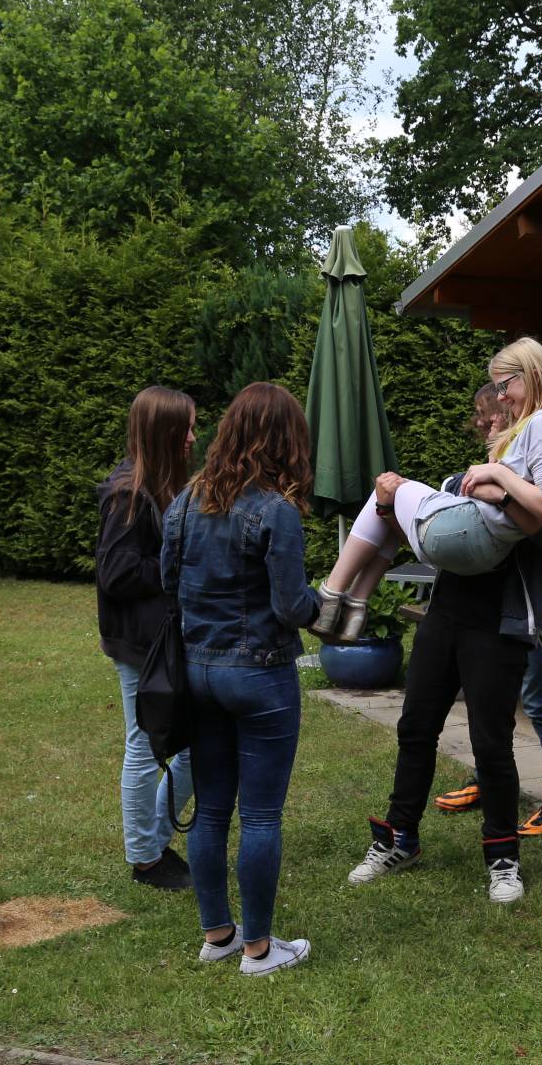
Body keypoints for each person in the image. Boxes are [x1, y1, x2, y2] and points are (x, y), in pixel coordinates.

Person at [345, 340, 542, 903]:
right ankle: (399, 837)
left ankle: (503, 859)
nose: (496, 406)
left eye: (504, 392)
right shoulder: (506, 449)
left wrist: (501, 490)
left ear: (529, 381)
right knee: (415, 726)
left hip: (499, 620)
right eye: (495, 399)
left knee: (491, 744)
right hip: (447, 610)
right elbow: (447, 525)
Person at [161, 382, 321, 976]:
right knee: (259, 816)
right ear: (286, 441)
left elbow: (166, 583)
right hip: (260, 679)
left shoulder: (184, 501)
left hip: (198, 673)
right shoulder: (275, 509)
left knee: (210, 811)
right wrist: (322, 602)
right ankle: (259, 949)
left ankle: (218, 934)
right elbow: (289, 607)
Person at [311, 336, 542, 642]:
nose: (501, 397)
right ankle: (356, 603)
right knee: (386, 500)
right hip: (481, 551)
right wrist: (497, 474)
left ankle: (330, 594)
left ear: (535, 375)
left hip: (471, 536)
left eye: (504, 386)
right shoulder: (539, 425)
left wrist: (496, 477)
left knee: (388, 487)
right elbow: (532, 518)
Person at [434, 383, 542, 837]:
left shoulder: (541, 458)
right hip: (502, 603)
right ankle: (488, 779)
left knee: (540, 701)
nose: (486, 421)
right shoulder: (508, 460)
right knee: (493, 697)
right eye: (483, 414)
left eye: (491, 414)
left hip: (537, 606)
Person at [95, 385, 197, 892]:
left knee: (193, 741)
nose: (194, 438)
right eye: (188, 428)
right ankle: (145, 858)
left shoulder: (162, 487)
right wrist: (174, 565)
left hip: (164, 639)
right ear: (166, 433)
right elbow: (114, 573)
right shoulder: (127, 494)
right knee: (143, 745)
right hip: (139, 643)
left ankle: (154, 841)